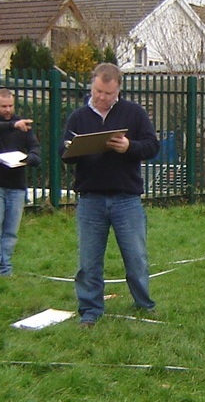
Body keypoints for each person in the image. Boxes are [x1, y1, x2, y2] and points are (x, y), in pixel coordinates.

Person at [60, 63, 160, 326]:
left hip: (126, 199)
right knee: (89, 261)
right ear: (92, 85)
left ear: (118, 91)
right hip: (90, 198)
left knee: (136, 258)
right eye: (97, 91)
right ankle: (90, 310)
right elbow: (63, 152)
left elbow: (152, 146)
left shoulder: (134, 113)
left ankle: (144, 304)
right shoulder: (79, 117)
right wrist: (75, 149)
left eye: (108, 93)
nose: (101, 97)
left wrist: (129, 146)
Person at [0, 88, 42, 280]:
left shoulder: (23, 125)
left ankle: (5, 268)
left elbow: (36, 149)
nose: (7, 110)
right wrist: (13, 125)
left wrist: (30, 158)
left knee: (11, 232)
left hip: (17, 185)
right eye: (3, 106)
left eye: (10, 106)